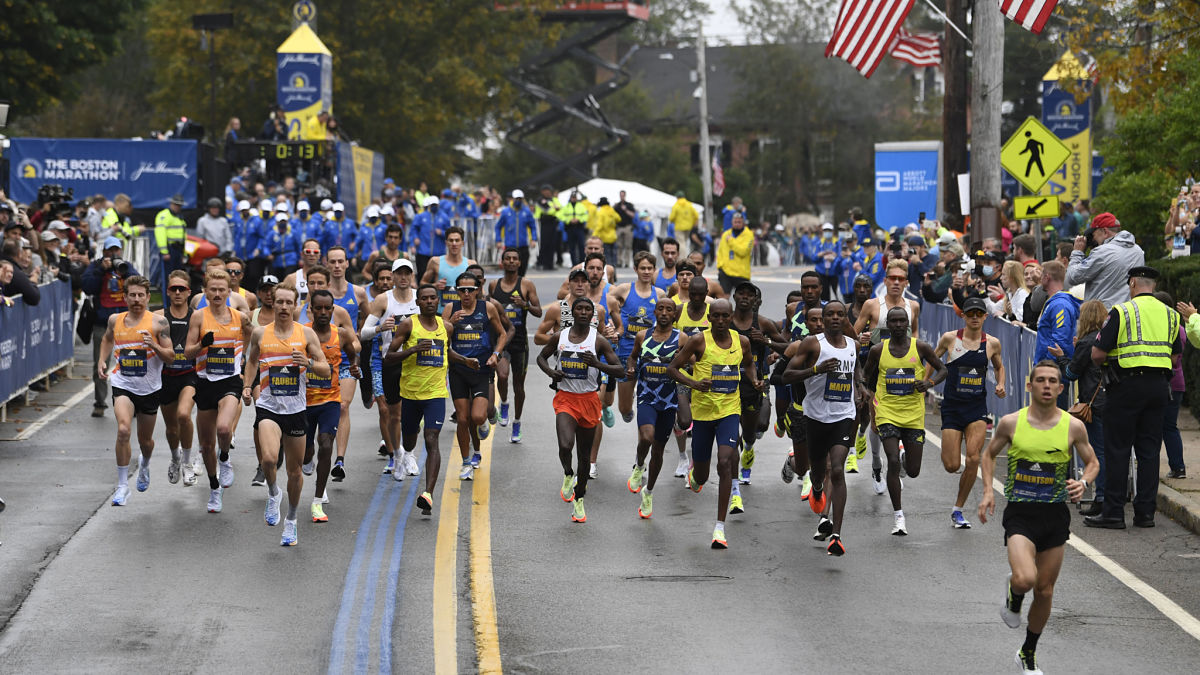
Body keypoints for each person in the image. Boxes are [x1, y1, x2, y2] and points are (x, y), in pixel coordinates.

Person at [977, 361, 1098, 675]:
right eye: (1040, 380)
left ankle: (1027, 652)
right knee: (1026, 579)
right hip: (1020, 513)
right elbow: (988, 455)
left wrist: (1082, 482)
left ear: (1061, 388)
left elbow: (1093, 462)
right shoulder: (1011, 423)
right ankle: (1015, 594)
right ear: (1029, 386)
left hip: (1055, 516)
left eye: (1053, 381)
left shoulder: (1073, 426)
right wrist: (988, 490)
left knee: (1044, 590)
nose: (1046, 385)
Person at [1085, 266, 1181, 529]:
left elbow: (1097, 354)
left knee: (1118, 449)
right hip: (1159, 388)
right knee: (1149, 451)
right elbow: (1174, 358)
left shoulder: (1122, 311)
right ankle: (1145, 514)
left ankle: (1114, 513)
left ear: (1132, 283)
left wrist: (1112, 363)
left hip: (1126, 386)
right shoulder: (1172, 315)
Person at [667, 299, 763, 549]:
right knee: (702, 475)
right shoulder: (698, 341)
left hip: (730, 411)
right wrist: (694, 384)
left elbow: (749, 364)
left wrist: (754, 381)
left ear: (731, 317)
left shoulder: (741, 342)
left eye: (725, 316)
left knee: (724, 461)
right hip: (702, 414)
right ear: (709, 318)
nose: (720, 321)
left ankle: (719, 528)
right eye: (716, 316)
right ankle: (695, 476)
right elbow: (673, 368)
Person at [241, 283, 331, 546]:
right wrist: (247, 386)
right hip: (268, 407)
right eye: (278, 302)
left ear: (295, 306)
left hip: (296, 410)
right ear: (274, 303)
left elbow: (326, 369)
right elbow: (252, 361)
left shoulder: (306, 335)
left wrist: (309, 363)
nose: (282, 306)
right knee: (269, 459)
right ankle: (272, 493)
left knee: (295, 473)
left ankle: (290, 520)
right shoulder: (260, 333)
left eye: (287, 303)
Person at [781, 300, 866, 555]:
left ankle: (837, 535)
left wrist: (860, 386)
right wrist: (815, 370)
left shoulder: (854, 345)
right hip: (816, 417)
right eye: (831, 314)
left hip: (844, 416)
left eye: (841, 314)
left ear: (845, 319)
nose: (836, 318)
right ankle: (817, 489)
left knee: (836, 469)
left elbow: (855, 370)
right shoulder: (812, 344)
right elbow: (786, 376)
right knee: (817, 472)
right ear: (824, 318)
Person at [387, 284, 474, 515]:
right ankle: (406, 454)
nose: (428, 301)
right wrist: (413, 350)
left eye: (432, 298)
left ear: (438, 301)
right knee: (410, 438)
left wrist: (465, 361)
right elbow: (389, 357)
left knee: (432, 438)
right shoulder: (408, 325)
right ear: (418, 302)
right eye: (424, 298)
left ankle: (428, 494)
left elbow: (447, 352)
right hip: (410, 393)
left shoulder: (446, 327)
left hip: (435, 394)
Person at [538, 297, 626, 524]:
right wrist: (550, 372)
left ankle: (579, 498)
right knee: (565, 445)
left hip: (589, 400)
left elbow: (619, 370)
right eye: (580, 309)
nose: (584, 312)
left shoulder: (598, 341)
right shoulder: (560, 336)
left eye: (588, 309)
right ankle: (568, 473)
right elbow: (541, 357)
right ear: (573, 312)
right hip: (566, 399)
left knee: (584, 456)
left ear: (593, 315)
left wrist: (597, 364)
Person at [862, 306, 946, 536]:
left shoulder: (920, 347)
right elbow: (865, 377)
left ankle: (903, 455)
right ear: (887, 325)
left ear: (907, 324)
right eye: (894, 321)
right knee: (892, 462)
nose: (898, 325)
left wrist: (929, 384)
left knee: (914, 470)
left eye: (902, 321)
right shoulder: (878, 350)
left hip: (913, 415)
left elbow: (942, 369)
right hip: (887, 411)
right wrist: (866, 396)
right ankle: (898, 516)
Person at [96, 276, 175, 506]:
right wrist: (102, 360)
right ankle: (122, 486)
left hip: (150, 388)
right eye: (132, 295)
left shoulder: (159, 323)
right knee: (123, 430)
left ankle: (145, 464)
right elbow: (107, 339)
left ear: (148, 297)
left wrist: (155, 346)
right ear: (125, 297)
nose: (137, 299)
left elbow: (170, 357)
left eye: (141, 295)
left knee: (146, 441)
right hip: (123, 384)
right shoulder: (115, 320)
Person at [934, 297, 1006, 529]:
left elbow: (999, 366)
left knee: (974, 457)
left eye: (979, 313)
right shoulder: (949, 338)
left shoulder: (992, 343)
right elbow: (932, 359)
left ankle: (958, 509)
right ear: (963, 316)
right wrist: (925, 382)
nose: (974, 317)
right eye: (970, 313)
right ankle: (958, 489)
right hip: (952, 407)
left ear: (985, 316)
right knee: (952, 465)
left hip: (976, 407)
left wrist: (1001, 383)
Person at [184, 269, 252, 512]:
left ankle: (225, 458)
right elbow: (187, 352)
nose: (217, 293)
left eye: (222, 289)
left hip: (230, 381)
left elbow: (254, 338)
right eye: (212, 289)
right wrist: (203, 344)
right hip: (204, 382)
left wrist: (245, 361)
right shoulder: (199, 317)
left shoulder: (239, 317)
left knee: (224, 428)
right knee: (205, 445)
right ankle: (214, 488)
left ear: (229, 292)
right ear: (205, 291)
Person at [302, 290, 360, 523]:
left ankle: (317, 500)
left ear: (333, 309)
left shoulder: (342, 334)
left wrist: (354, 366)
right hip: (303, 402)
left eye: (328, 308)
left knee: (325, 444)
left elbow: (351, 354)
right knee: (307, 452)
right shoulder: (302, 333)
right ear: (312, 310)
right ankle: (308, 460)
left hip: (330, 400)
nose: (324, 313)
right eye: (319, 308)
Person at [444, 272, 509, 480]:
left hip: (481, 369)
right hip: (458, 370)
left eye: (470, 290)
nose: (465, 294)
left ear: (477, 290)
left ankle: (481, 426)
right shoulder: (449, 309)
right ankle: (465, 463)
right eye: (461, 290)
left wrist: (496, 355)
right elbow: (440, 339)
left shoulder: (487, 308)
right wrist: (450, 325)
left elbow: (502, 334)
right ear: (456, 291)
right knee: (462, 419)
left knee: (478, 416)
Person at [1048, 300, 1109, 516]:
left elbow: (1071, 373)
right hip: (1114, 400)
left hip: (1093, 404)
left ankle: (1101, 498)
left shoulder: (1086, 342)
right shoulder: (1107, 338)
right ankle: (1110, 495)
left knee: (1098, 451)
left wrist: (1062, 358)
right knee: (1113, 449)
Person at [624, 300, 682, 518]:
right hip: (647, 397)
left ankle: (648, 493)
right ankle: (639, 466)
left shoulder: (681, 339)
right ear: (655, 312)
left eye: (669, 310)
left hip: (669, 401)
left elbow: (693, 361)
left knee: (658, 449)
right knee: (646, 438)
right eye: (661, 309)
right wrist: (631, 367)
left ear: (674, 315)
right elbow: (633, 356)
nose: (665, 313)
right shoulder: (642, 336)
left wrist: (684, 363)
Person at [729, 282, 787, 488]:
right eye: (741, 293)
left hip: (758, 383)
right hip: (730, 383)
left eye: (749, 295)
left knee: (758, 427)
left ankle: (750, 446)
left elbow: (787, 349)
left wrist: (766, 342)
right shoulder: (725, 322)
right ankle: (737, 474)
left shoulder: (763, 323)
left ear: (755, 301)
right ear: (734, 297)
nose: (745, 297)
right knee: (730, 435)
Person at [359, 259, 414, 474]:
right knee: (390, 411)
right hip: (386, 362)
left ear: (411, 275)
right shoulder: (383, 300)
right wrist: (381, 328)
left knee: (410, 413)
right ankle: (395, 455)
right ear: (393, 276)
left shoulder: (420, 298)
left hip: (414, 362)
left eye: (406, 273)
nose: (403, 277)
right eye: (398, 273)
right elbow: (364, 332)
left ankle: (407, 454)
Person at [488, 248, 542, 442]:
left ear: (519, 263)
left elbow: (538, 312)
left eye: (514, 259)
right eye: (507, 259)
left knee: (519, 386)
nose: (511, 261)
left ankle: (517, 422)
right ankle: (503, 402)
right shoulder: (494, 285)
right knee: (501, 376)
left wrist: (524, 304)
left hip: (519, 342)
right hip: (501, 339)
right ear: (502, 262)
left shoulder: (526, 284)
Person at [83, 237, 139, 417]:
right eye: (109, 250)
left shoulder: (126, 266)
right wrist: (101, 270)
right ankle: (100, 402)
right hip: (103, 322)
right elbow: (87, 287)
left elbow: (139, 284)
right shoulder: (95, 266)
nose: (113, 253)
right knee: (100, 365)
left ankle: (135, 402)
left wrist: (124, 270)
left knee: (133, 364)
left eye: (116, 249)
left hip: (127, 323)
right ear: (104, 251)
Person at [610, 252, 668, 425]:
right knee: (624, 409)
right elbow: (608, 303)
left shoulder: (659, 294)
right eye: (642, 268)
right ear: (635, 269)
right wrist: (615, 323)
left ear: (654, 270)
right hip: (627, 352)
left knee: (652, 402)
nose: (646, 271)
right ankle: (629, 404)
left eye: (650, 268)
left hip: (650, 354)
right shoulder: (624, 289)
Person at [325, 247, 368, 480]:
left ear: (347, 263)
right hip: (323, 361)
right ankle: (320, 449)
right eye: (333, 262)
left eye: (341, 261)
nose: (337, 266)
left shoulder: (358, 292)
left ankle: (339, 460)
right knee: (324, 407)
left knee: (342, 406)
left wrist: (357, 337)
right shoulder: (321, 295)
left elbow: (370, 318)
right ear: (327, 263)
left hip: (347, 360)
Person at [157, 270, 199, 487]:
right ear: (168, 291)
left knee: (184, 415)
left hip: (189, 375)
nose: (178, 292)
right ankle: (175, 458)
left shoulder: (197, 317)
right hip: (165, 376)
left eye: (182, 288)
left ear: (189, 292)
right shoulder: (159, 317)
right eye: (174, 288)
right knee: (172, 429)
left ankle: (187, 463)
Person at [1064, 212, 1145, 309]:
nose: (1093, 239)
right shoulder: (1138, 250)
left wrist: (1077, 252)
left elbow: (1073, 277)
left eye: (1094, 235)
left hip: (1105, 316)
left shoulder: (1103, 252)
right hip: (1130, 313)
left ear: (1105, 232)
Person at [422, 226, 475, 311]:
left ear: (463, 243)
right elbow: (422, 284)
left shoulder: (470, 264)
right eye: (451, 240)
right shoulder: (435, 262)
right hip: (440, 313)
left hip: (463, 313)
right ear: (446, 243)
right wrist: (435, 286)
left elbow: (479, 289)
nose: (454, 243)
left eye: (457, 240)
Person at [495, 190, 538, 276]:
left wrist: (533, 239)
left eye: (520, 199)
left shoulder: (527, 212)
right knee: (509, 273)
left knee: (521, 273)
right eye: (516, 198)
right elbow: (498, 227)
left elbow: (533, 226)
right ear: (512, 199)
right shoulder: (506, 212)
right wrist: (498, 240)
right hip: (510, 247)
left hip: (523, 246)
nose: (518, 200)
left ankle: (521, 288)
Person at [715, 212, 754, 295]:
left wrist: (731, 241)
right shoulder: (726, 234)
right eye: (735, 222)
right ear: (732, 222)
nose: (737, 224)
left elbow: (743, 251)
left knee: (743, 299)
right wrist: (720, 266)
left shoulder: (749, 235)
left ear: (743, 223)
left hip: (741, 273)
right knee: (723, 299)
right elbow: (720, 251)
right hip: (725, 272)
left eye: (739, 222)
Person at [155, 194, 188, 281]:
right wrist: (164, 252)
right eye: (176, 204)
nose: (178, 207)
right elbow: (160, 233)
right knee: (168, 277)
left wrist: (184, 253)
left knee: (178, 276)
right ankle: (167, 295)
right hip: (170, 249)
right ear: (171, 204)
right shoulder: (164, 215)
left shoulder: (180, 217)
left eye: (179, 205)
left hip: (178, 250)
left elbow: (184, 236)